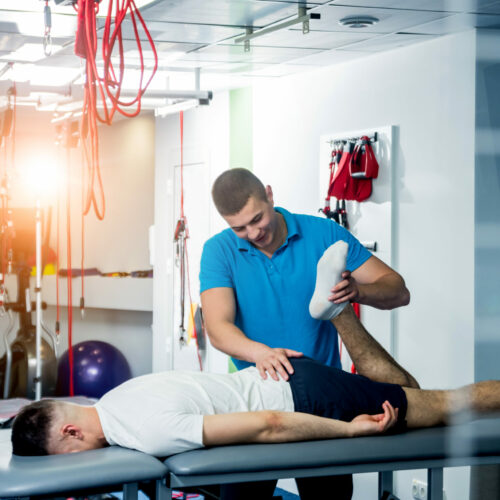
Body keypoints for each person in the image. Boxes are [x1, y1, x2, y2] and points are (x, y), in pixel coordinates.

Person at [12, 244, 500, 467]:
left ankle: (334, 311)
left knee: (441, 404)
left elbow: (270, 424)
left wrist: (348, 429)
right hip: (289, 380)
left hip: (304, 399)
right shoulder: (116, 398)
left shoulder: (144, 429)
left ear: (71, 432)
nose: (73, 461)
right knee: (414, 396)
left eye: (64, 455)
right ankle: (334, 311)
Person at [200, 168, 410, 499]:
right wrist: (261, 353)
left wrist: (358, 292)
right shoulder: (219, 250)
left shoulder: (323, 233)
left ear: (270, 194)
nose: (254, 232)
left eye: (257, 218)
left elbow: (398, 290)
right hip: (259, 400)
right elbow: (217, 328)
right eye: (239, 227)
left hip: (324, 400)